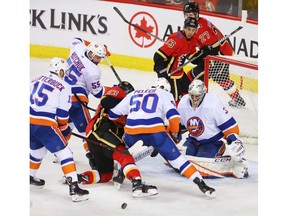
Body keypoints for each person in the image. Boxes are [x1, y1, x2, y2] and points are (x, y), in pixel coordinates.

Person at [108, 77, 216, 198]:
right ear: (167, 89)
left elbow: (112, 114)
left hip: (131, 133)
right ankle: (202, 185)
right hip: (155, 133)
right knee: (178, 160)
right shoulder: (165, 94)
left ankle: (120, 173)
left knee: (125, 154)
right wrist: (175, 134)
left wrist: (128, 120)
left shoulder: (134, 93)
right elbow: (174, 117)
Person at [69, 81, 158, 198]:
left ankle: (76, 178)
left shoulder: (129, 112)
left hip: (98, 137)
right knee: (123, 154)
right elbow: (105, 101)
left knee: (105, 175)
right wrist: (129, 103)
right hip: (101, 129)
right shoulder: (118, 91)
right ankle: (137, 184)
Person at [30, 57, 89, 202]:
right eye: (65, 71)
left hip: (28, 120)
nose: (66, 74)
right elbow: (63, 114)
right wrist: (63, 128)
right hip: (45, 124)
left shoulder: (36, 78)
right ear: (60, 70)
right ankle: (75, 189)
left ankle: (29, 175)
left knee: (38, 151)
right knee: (65, 153)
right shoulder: (64, 86)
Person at [177, 79, 248, 178]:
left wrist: (235, 141)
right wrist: (170, 137)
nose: (194, 99)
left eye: (197, 96)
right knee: (182, 163)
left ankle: (233, 165)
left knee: (202, 168)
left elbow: (230, 126)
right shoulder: (183, 102)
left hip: (213, 142)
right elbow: (180, 126)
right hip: (193, 140)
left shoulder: (213, 103)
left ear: (204, 94)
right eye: (191, 95)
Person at [183, 2, 246, 107]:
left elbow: (213, 48)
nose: (188, 17)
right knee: (223, 80)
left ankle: (190, 101)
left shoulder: (200, 27)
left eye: (191, 15)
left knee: (192, 76)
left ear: (196, 14)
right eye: (186, 15)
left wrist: (199, 54)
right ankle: (238, 100)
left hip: (218, 56)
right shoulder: (199, 22)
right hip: (221, 53)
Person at [63, 37, 110, 167]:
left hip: (62, 94)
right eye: (98, 58)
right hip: (76, 99)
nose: (99, 61)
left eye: (101, 57)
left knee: (68, 123)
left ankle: (60, 151)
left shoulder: (78, 48)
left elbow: (76, 39)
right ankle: (92, 158)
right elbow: (98, 93)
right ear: (90, 54)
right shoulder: (93, 71)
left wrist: (100, 47)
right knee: (87, 129)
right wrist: (115, 89)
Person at [153, 17, 200, 106]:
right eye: (188, 29)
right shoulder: (176, 39)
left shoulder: (192, 40)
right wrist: (161, 71)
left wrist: (202, 53)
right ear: (184, 28)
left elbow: (192, 58)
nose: (190, 32)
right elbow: (158, 55)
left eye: (193, 30)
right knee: (175, 100)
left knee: (189, 92)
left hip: (180, 73)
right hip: (170, 74)